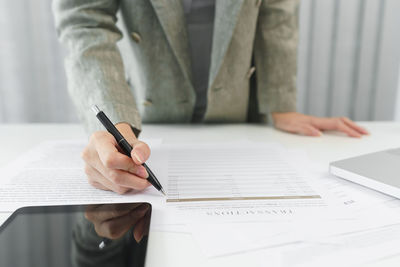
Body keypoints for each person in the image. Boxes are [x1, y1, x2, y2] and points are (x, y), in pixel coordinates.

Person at [52, 0, 368, 195]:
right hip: (148, 107)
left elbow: (277, 11)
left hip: (240, 108)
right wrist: (115, 125)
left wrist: (281, 102)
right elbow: (85, 20)